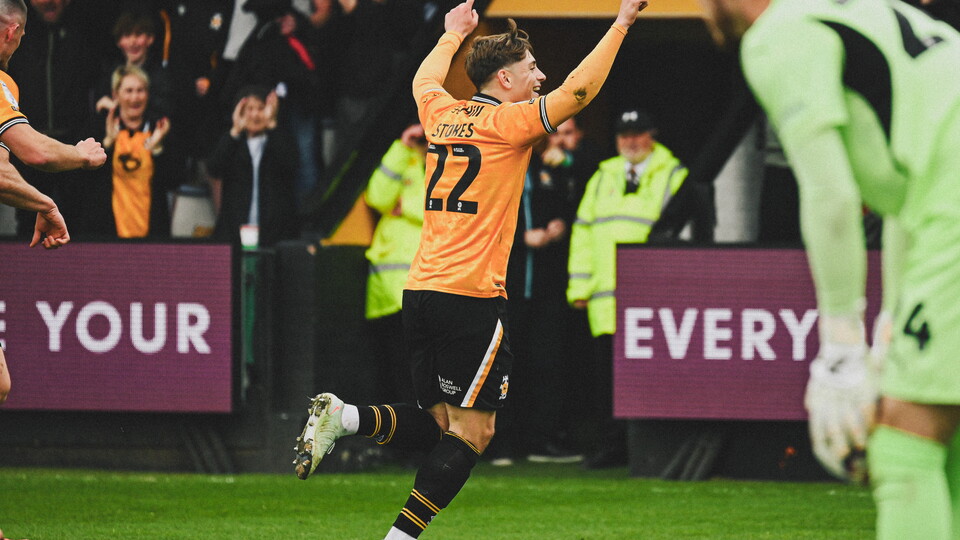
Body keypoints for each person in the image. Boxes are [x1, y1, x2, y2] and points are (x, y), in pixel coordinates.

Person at [293, 0, 650, 538]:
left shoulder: (440, 113)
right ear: (505, 77)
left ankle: (343, 417)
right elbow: (578, 91)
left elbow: (424, 80)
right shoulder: (510, 124)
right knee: (474, 434)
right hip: (471, 297)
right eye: (532, 68)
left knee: (442, 423)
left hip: (421, 290)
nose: (541, 76)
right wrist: (622, 22)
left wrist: (450, 35)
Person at [696, 0, 960, 538]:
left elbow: (831, 196)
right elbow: (907, 196)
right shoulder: (869, 12)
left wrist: (841, 349)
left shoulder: (778, 35)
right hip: (939, 205)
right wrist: (889, 321)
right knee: (947, 432)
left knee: (903, 437)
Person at [567, 108, 689, 468]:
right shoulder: (603, 176)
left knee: (650, 376)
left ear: (652, 136)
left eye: (638, 134)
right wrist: (579, 284)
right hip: (605, 295)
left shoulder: (673, 174)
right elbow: (583, 232)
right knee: (607, 379)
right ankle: (611, 448)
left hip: (653, 299)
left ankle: (647, 450)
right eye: (624, 136)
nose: (631, 142)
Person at [6, 0, 104, 237]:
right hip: (30, 145)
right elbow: (36, 154)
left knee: (80, 222)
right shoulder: (5, 75)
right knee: (27, 227)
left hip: (73, 141)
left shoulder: (86, 30)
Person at [364, 122, 426, 406]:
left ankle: (422, 439)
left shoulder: (452, 162)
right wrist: (403, 145)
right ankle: (402, 442)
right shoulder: (405, 159)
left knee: (426, 374)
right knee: (397, 371)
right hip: (392, 294)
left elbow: (444, 214)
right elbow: (377, 197)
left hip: (429, 291)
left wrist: (408, 207)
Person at [207, 85, 299, 247]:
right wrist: (235, 130)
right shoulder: (232, 142)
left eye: (261, 108)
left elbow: (291, 165)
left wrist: (271, 125)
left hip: (273, 233)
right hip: (235, 231)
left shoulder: (278, 139)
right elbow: (214, 168)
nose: (255, 115)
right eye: (249, 109)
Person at [95, 66, 174, 239]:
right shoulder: (100, 126)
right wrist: (107, 142)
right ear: (116, 95)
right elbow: (88, 183)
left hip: (153, 232)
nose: (134, 97)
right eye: (128, 91)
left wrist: (156, 147)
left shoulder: (159, 128)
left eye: (140, 90)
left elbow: (172, 179)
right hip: (109, 232)